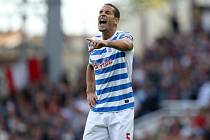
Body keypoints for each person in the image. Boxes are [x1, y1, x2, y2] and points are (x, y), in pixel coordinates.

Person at [83, 3, 135, 140]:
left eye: (107, 12)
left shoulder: (124, 36)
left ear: (116, 20)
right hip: (98, 108)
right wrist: (89, 91)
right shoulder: (93, 43)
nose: (102, 14)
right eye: (100, 12)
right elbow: (90, 66)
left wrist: (105, 43)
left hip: (121, 109)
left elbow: (128, 45)